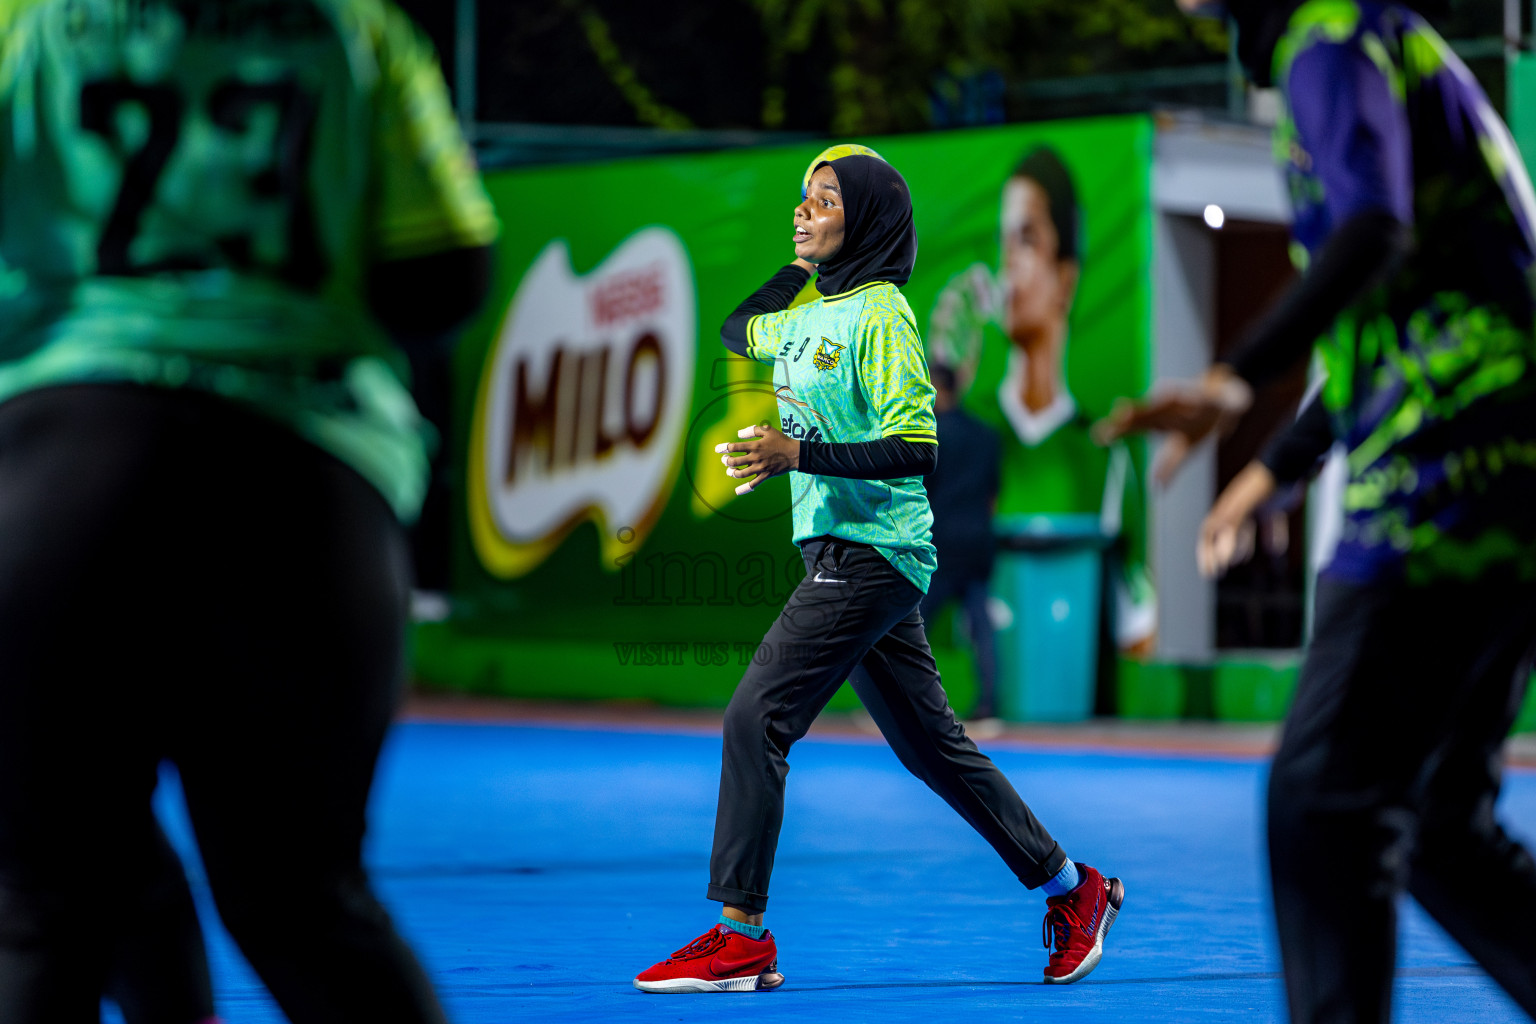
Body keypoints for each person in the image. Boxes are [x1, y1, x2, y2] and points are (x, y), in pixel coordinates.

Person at [0, 2, 498, 1022]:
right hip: (301, 469)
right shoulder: (358, 29)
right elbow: (444, 275)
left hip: (62, 462)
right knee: (302, 902)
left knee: (43, 907)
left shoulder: (31, 19)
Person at [1099, 1, 1536, 1020]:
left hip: (1455, 455)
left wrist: (1230, 378)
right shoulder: (1362, 39)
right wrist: (1268, 474)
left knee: (1324, 802)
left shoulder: (1327, 35)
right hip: (1501, 450)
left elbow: (1373, 229)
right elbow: (1383, 315)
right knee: (1430, 815)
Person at [632, 152, 1123, 994]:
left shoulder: (884, 315)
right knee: (933, 749)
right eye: (800, 198)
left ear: (865, 223)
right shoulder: (808, 313)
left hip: (873, 554)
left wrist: (799, 452)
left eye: (824, 203)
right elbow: (736, 329)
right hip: (845, 554)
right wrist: (801, 256)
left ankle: (739, 935)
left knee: (757, 717)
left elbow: (915, 447)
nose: (802, 210)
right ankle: (1075, 891)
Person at [928, 146, 1154, 655]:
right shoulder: (969, 424)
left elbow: (1138, 625)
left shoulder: (1101, 456)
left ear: (1066, 278)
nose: (1008, 261)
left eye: (1027, 240)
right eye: (1003, 240)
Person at [920, 362, 1003, 723]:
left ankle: (904, 703)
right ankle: (989, 703)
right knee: (980, 626)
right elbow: (993, 495)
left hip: (940, 544)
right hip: (979, 542)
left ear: (936, 388)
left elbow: (920, 493)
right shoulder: (987, 435)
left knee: (910, 625)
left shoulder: (929, 435)